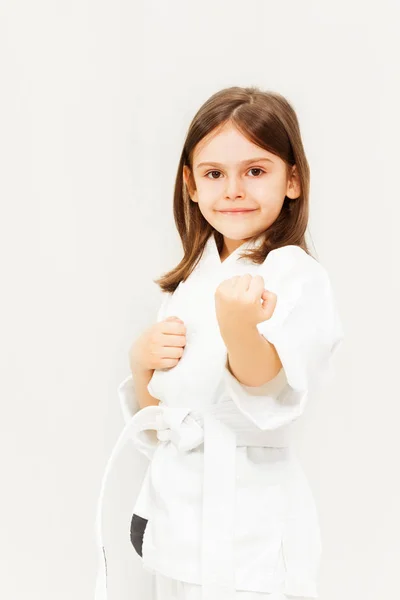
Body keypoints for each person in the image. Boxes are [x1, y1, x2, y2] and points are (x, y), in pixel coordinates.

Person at [94, 86, 345, 600]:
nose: (233, 189)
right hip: (177, 511)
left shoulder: (295, 277)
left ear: (292, 179)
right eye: (214, 174)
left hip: (250, 520)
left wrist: (240, 330)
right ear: (190, 184)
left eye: (256, 171)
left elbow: (267, 394)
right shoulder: (190, 283)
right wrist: (141, 366)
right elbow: (162, 425)